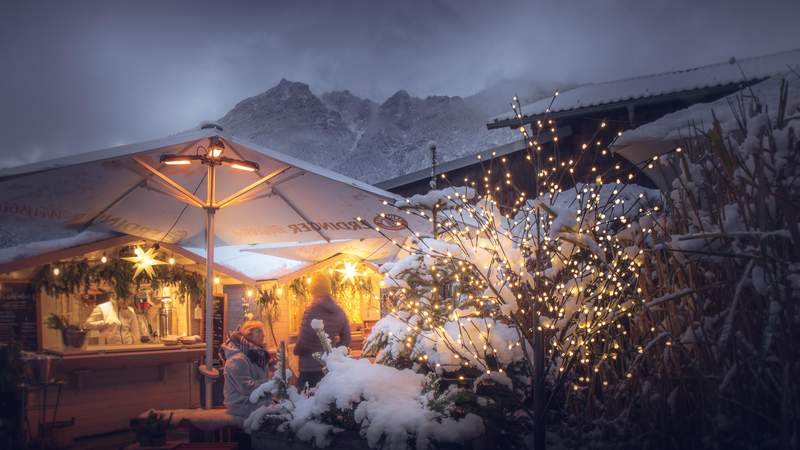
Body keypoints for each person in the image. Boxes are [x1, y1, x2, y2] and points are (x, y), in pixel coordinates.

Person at [293, 273, 351, 389]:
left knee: (306, 403)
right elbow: (346, 339)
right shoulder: (339, 311)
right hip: (330, 367)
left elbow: (304, 342)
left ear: (313, 289)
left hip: (310, 367)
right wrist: (334, 351)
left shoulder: (311, 310)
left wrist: (296, 350)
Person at [221, 320, 270, 420]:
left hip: (254, 400)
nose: (263, 335)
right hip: (240, 404)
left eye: (263, 331)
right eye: (259, 331)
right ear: (249, 334)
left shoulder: (257, 355)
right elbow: (247, 388)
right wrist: (271, 384)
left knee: (285, 406)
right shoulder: (237, 359)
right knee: (279, 412)